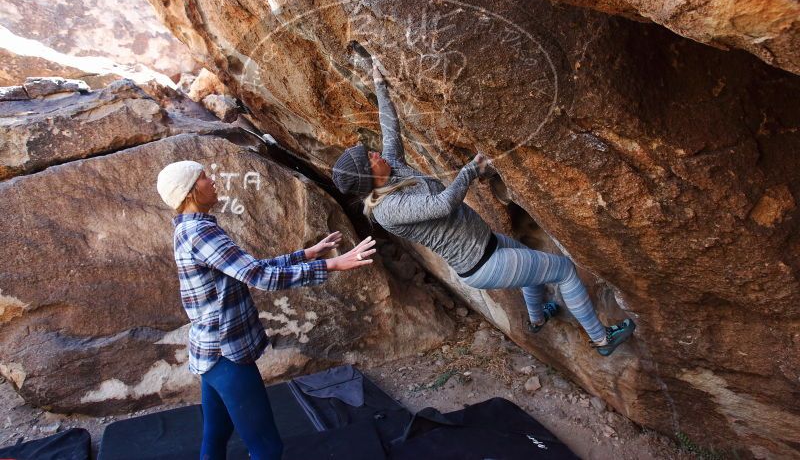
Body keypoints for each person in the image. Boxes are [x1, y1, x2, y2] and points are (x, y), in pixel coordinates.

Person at [332, 58, 635, 357]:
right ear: (367, 177)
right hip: (483, 265)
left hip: (487, 245)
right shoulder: (388, 209)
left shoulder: (394, 169)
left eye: (368, 151)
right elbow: (443, 204)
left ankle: (537, 318)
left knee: (530, 266)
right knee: (565, 271)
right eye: (368, 158)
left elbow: (390, 128)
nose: (373, 152)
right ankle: (601, 340)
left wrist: (379, 85)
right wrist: (470, 170)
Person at [157, 161, 376, 460]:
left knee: (216, 434)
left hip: (211, 351)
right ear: (192, 190)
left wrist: (305, 255)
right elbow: (259, 277)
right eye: (205, 177)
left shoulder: (192, 229)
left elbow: (249, 269)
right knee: (267, 448)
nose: (213, 180)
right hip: (226, 353)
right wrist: (331, 264)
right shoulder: (200, 233)